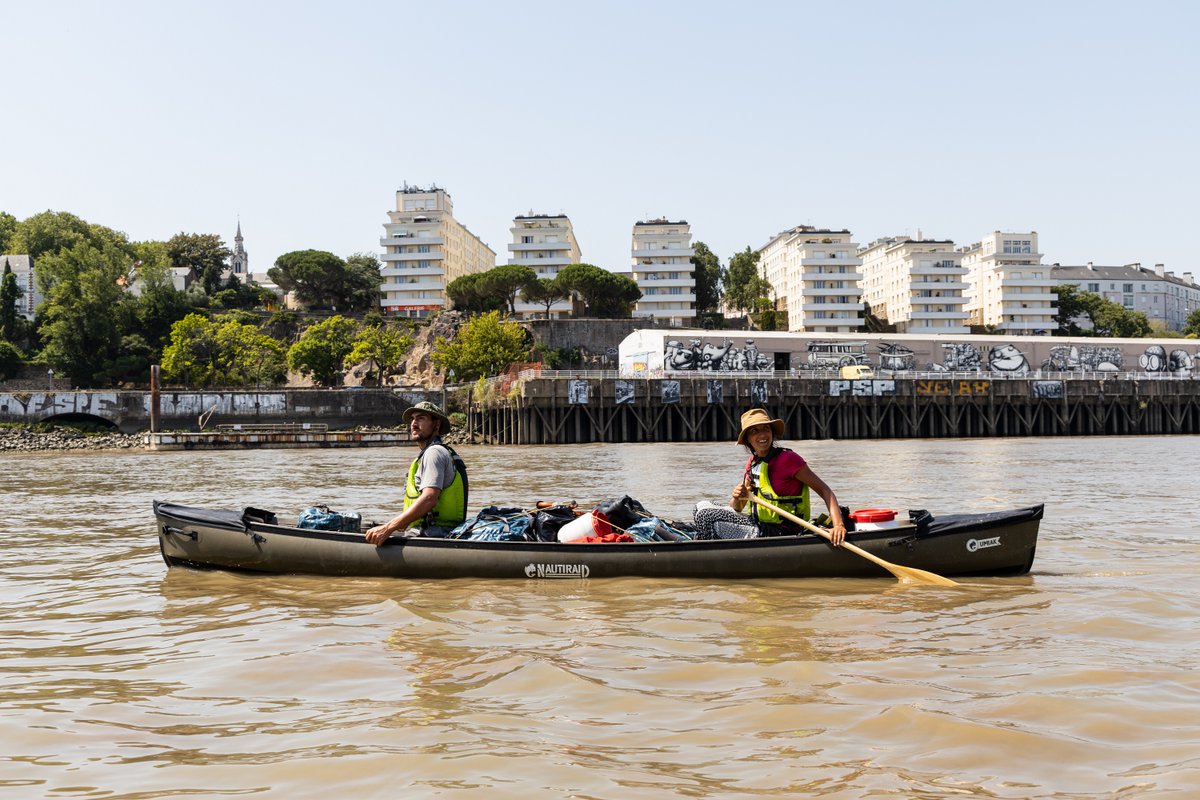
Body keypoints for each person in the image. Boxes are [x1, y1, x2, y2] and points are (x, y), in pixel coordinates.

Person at [693, 408, 847, 544]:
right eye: (755, 431)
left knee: (706, 516)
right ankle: (706, 542)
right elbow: (737, 508)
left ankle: (708, 549)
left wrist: (838, 525)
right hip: (758, 525)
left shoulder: (789, 459)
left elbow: (825, 490)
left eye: (766, 429)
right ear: (747, 439)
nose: (762, 435)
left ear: (772, 433)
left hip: (781, 531)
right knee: (700, 507)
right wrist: (737, 496)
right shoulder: (753, 463)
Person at [364, 401, 468, 545]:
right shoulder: (437, 452)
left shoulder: (434, 453)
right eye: (412, 419)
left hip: (432, 535)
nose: (413, 423)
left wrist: (389, 527)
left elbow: (429, 498)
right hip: (439, 532)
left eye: (421, 418)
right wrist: (400, 523)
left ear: (436, 425)